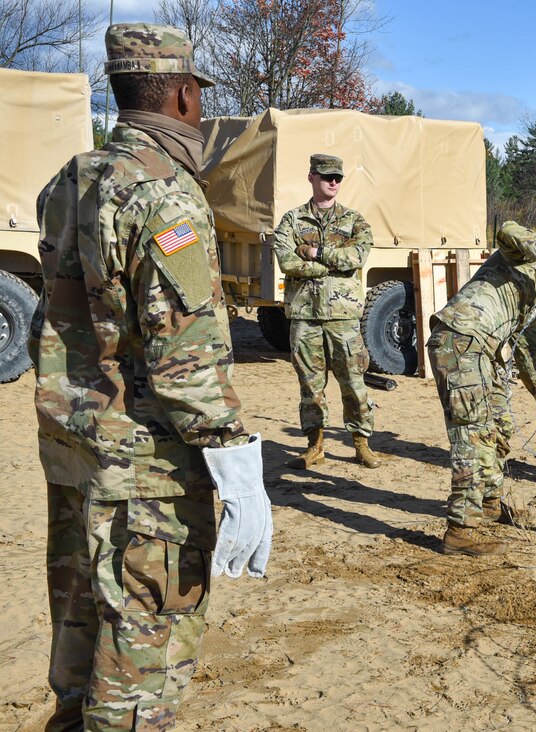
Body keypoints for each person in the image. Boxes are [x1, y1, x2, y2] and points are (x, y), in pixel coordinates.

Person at [29, 23, 272, 730]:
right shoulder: (165, 197)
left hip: (76, 447)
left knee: (82, 632)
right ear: (185, 97)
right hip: (147, 467)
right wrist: (237, 464)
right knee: (141, 648)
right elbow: (184, 355)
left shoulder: (70, 180)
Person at [427, 221, 536, 556]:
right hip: (460, 340)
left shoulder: (535, 304)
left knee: (498, 429)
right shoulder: (522, 257)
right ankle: (459, 530)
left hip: (483, 355)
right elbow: (508, 229)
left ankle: (488, 505)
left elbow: (531, 359)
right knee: (473, 436)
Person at [273, 153, 381, 470]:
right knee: (310, 387)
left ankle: (361, 444)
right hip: (305, 316)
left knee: (353, 384)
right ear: (312, 177)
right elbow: (285, 260)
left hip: (343, 317)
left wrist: (314, 252)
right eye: (326, 177)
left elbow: (357, 257)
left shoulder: (354, 220)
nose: (333, 182)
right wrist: (327, 268)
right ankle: (315, 446)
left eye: (338, 178)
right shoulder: (292, 220)